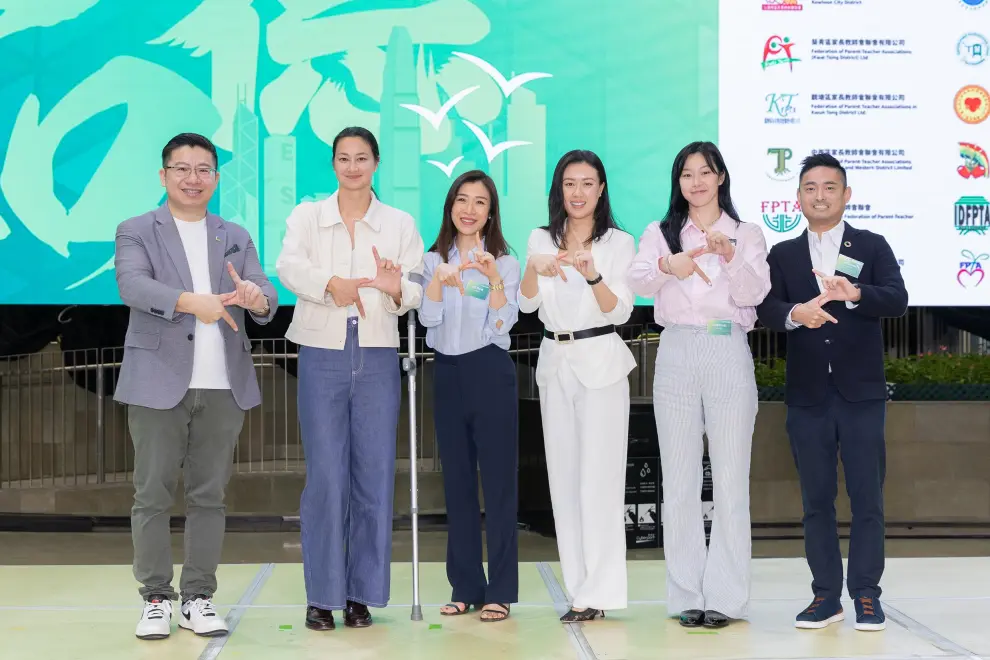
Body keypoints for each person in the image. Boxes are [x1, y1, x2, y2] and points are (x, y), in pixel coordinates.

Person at [114, 132, 278, 640]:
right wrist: (193, 302)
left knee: (210, 496)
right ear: (163, 176)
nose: (193, 178)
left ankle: (199, 597)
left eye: (203, 169)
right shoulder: (137, 229)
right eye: (182, 168)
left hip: (223, 385)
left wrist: (254, 298)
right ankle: (156, 598)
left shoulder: (234, 233)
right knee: (152, 496)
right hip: (157, 382)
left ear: (216, 178)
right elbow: (133, 285)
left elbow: (265, 294)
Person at [275, 126, 424, 631]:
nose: (353, 166)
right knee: (326, 478)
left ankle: (360, 593)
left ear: (376, 163)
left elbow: (418, 287)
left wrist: (395, 285)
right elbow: (288, 265)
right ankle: (322, 594)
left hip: (379, 352)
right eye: (344, 158)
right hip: (322, 350)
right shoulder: (308, 216)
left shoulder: (398, 223)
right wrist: (329, 285)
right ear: (333, 164)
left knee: (374, 477)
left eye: (362, 158)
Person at [756, 153, 908, 632]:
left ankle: (866, 595)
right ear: (797, 196)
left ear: (846, 195)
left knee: (868, 498)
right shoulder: (782, 254)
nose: (819, 196)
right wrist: (794, 314)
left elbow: (897, 299)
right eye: (810, 188)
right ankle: (826, 596)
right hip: (807, 396)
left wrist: (855, 293)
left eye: (829, 187)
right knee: (816, 500)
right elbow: (765, 307)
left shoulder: (872, 244)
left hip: (861, 394)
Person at [628, 141, 770, 629]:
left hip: (726, 346)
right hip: (677, 349)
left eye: (705, 172)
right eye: (687, 174)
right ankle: (687, 592)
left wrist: (729, 255)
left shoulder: (746, 233)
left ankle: (726, 598)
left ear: (722, 177)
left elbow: (755, 293)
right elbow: (638, 281)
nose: (697, 182)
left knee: (730, 478)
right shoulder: (661, 232)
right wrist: (671, 264)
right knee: (680, 478)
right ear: (679, 182)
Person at [518, 150, 636, 623]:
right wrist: (535, 267)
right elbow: (526, 305)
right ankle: (578, 590)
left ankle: (601, 590)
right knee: (563, 481)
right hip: (554, 362)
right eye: (570, 183)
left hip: (601, 362)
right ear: (559, 189)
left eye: (588, 183)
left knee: (600, 481)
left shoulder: (619, 243)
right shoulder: (539, 239)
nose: (579, 193)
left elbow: (620, 311)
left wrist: (592, 275)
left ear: (601, 189)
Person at [415, 170, 521, 623]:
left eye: (480, 202)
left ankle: (500, 590)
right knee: (456, 482)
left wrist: (493, 278)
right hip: (448, 372)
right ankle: (465, 586)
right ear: (450, 207)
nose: (469, 209)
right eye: (462, 200)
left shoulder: (506, 261)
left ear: (490, 211)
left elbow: (504, 325)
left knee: (498, 485)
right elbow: (428, 319)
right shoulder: (430, 259)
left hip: (490, 370)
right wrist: (438, 280)